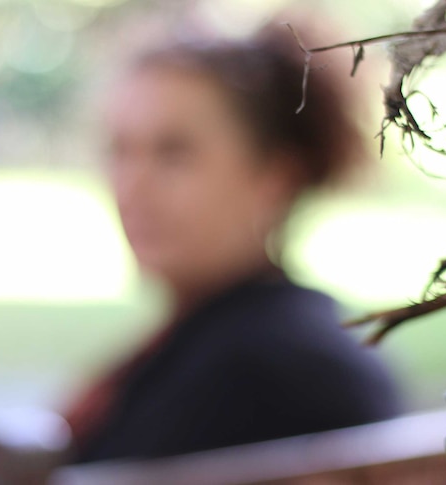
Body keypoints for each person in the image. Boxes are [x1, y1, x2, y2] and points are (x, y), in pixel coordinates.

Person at [62, 22, 402, 465]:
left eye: (174, 153)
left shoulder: (273, 369)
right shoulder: (211, 337)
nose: (131, 186)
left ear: (275, 178)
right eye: (121, 150)